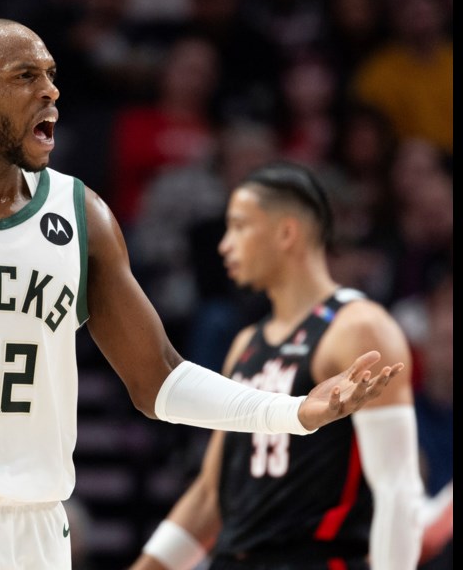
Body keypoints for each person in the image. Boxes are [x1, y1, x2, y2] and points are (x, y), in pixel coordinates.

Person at [0, 17, 402, 569]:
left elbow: (159, 378)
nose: (51, 93)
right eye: (27, 77)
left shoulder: (83, 216)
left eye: (52, 76)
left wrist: (295, 412)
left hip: (37, 527)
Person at [129, 162, 423, 570]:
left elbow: (398, 488)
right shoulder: (245, 344)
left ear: (286, 232)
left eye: (239, 226)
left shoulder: (361, 328)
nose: (224, 245)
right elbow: (211, 494)